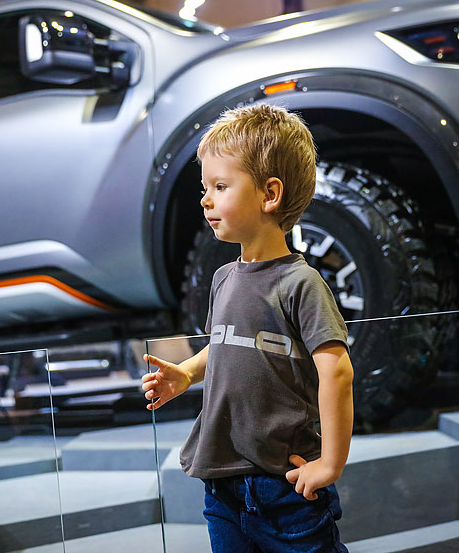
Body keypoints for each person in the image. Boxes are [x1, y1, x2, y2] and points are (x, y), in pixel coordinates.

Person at [142, 103, 354, 552]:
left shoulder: (301, 283)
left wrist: (330, 463)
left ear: (269, 194)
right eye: (206, 187)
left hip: (285, 486)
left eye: (220, 186)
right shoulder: (223, 278)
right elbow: (225, 345)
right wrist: (185, 374)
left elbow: (337, 371)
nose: (205, 199)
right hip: (221, 485)